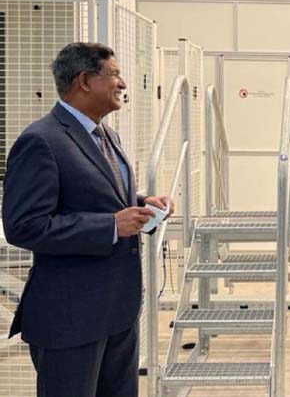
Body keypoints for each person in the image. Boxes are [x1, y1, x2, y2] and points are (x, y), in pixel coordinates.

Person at [2, 42, 174, 397]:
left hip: (118, 313)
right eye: (114, 75)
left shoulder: (107, 135)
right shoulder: (41, 140)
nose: (123, 84)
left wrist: (142, 205)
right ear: (84, 80)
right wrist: (111, 226)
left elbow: (98, 198)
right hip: (70, 319)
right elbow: (24, 225)